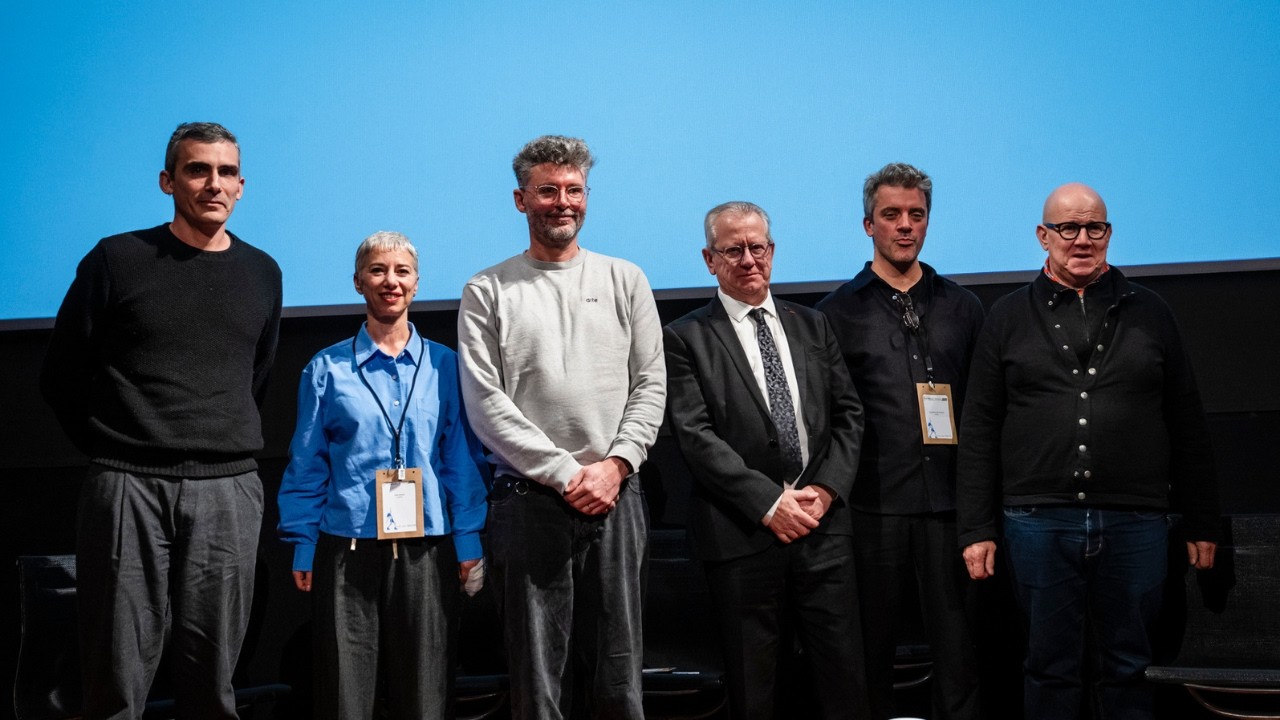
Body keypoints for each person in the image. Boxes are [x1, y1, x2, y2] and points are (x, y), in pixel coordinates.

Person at [40, 122, 282, 718]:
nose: (213, 184)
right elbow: (62, 374)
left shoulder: (262, 272)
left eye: (226, 172)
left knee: (214, 681)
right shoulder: (118, 259)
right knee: (115, 680)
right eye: (198, 170)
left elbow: (255, 377)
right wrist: (117, 449)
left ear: (242, 186)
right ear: (167, 181)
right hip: (128, 485)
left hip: (228, 488)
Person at [957, 182, 1221, 719]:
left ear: (1109, 233)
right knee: (1048, 667)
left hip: (1135, 521)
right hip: (1037, 521)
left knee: (1130, 667)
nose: (1082, 239)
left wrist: (1202, 519)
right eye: (1068, 228)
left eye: (1093, 227)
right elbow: (980, 428)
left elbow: (1187, 422)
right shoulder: (1006, 316)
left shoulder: (1152, 312)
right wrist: (976, 527)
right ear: (1043, 236)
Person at [456, 135, 666, 719]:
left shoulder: (626, 278)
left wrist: (615, 466)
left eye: (574, 190)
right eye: (547, 190)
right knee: (538, 685)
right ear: (521, 200)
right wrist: (567, 474)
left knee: (619, 679)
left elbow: (651, 385)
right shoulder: (487, 290)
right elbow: (485, 403)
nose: (563, 202)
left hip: (616, 497)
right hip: (528, 503)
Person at [664, 201, 870, 720]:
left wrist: (826, 490)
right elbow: (695, 435)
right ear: (710, 260)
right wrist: (769, 503)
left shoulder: (814, 325)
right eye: (733, 250)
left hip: (823, 530)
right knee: (754, 692)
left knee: (844, 686)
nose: (748, 259)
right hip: (743, 536)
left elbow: (849, 414)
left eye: (757, 247)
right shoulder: (685, 336)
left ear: (772, 252)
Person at [277, 231, 489, 719]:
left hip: (427, 549)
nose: (390, 281)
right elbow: (307, 464)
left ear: (416, 283)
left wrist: (469, 540)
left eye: (401, 271)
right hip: (346, 548)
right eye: (377, 270)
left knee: (426, 693)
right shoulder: (325, 369)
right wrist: (303, 543)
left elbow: (461, 460)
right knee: (345, 697)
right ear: (358, 282)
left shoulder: (447, 366)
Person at [815, 163, 984, 720]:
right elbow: (829, 421)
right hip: (872, 509)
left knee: (961, 657)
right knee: (870, 656)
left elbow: (984, 412)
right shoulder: (835, 314)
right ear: (869, 225)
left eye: (916, 214)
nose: (905, 225)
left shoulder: (964, 307)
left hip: (951, 509)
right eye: (892, 215)